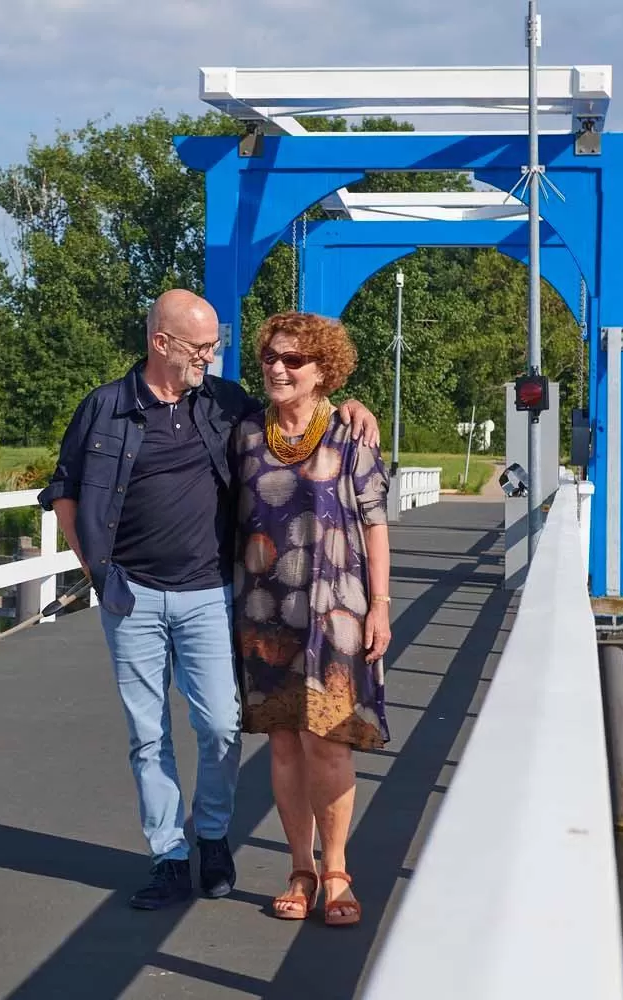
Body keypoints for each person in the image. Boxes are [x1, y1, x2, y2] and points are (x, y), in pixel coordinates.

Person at [38, 289, 380, 910]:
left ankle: (214, 836)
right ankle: (169, 856)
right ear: (160, 343)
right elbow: (65, 489)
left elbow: (301, 410)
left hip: (211, 594)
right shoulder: (104, 408)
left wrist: (354, 405)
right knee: (148, 735)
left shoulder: (225, 405)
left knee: (221, 724)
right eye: (200, 347)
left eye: (214, 345)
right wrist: (95, 570)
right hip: (132, 596)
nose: (210, 356)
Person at [231, 310, 392, 927]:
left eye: (293, 359)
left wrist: (381, 606)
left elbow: (375, 525)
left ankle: (337, 870)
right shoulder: (247, 432)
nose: (277, 367)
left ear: (323, 371)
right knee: (284, 743)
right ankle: (300, 869)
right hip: (263, 611)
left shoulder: (351, 434)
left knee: (328, 741)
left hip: (336, 610)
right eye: (270, 356)